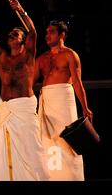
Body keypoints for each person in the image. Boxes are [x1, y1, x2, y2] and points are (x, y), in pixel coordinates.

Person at [0, 0, 49, 181]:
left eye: (15, 34)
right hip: (7, 110)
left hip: (24, 109)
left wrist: (21, 10)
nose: (11, 35)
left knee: (33, 152)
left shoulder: (29, 55)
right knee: (5, 153)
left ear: (23, 40)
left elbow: (33, 31)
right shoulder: (2, 57)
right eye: (10, 34)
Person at [34, 20, 93, 180]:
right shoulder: (42, 58)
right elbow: (28, 82)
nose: (47, 35)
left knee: (67, 141)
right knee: (48, 141)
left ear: (62, 35)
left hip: (63, 99)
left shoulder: (70, 55)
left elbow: (77, 82)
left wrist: (85, 107)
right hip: (47, 100)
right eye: (46, 32)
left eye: (51, 32)